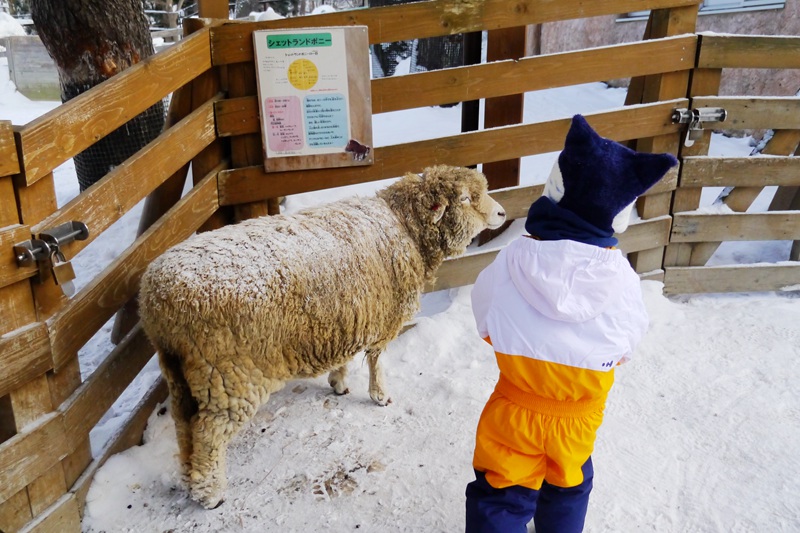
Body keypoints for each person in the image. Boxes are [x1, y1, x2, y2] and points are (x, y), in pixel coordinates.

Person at [465, 114, 678, 533]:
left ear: (554, 189)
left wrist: (510, 340)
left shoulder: (511, 260)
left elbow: (483, 314)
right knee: (569, 486)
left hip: (514, 408)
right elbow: (627, 344)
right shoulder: (622, 280)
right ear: (619, 216)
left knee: (500, 494)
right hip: (578, 418)